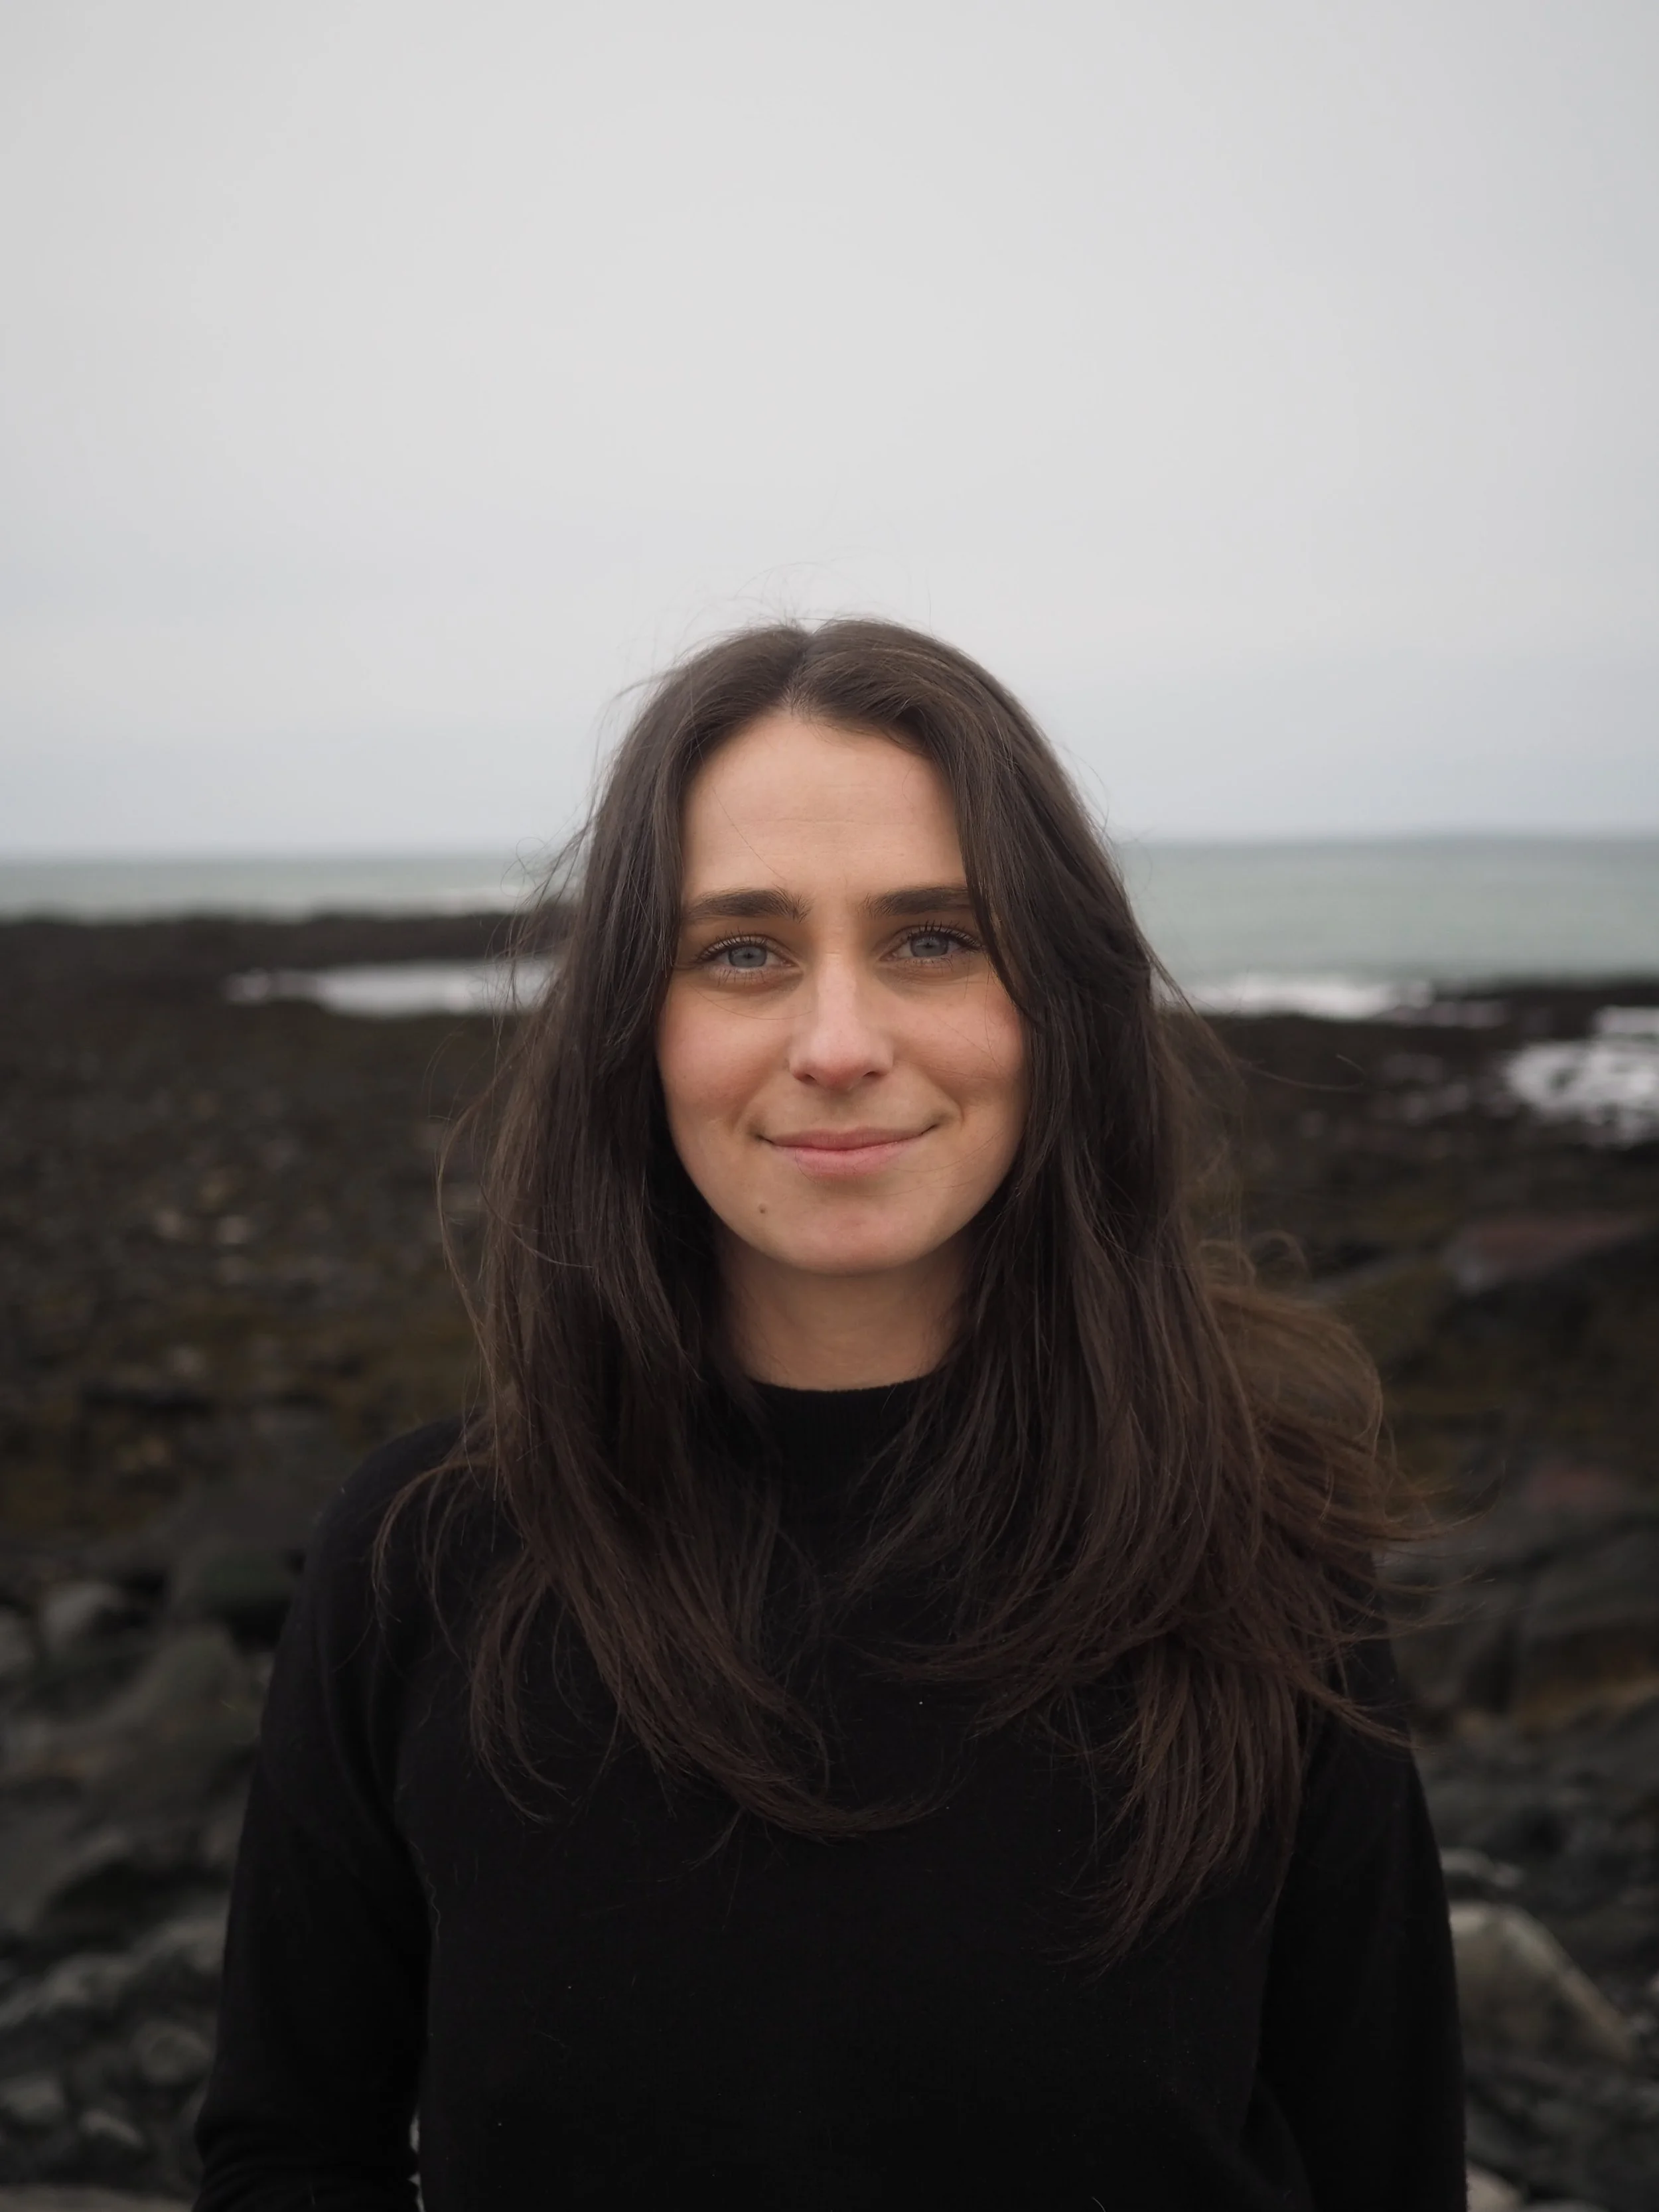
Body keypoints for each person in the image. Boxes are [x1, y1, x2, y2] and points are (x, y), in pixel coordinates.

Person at [194, 619, 1465, 2210]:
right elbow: (286, 2157)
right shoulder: (421, 1560)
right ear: (633, 1028)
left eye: (931, 938)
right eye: (743, 950)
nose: (840, 1045)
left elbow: (1385, 2164)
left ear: (1054, 1002)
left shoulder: (1261, 1551)